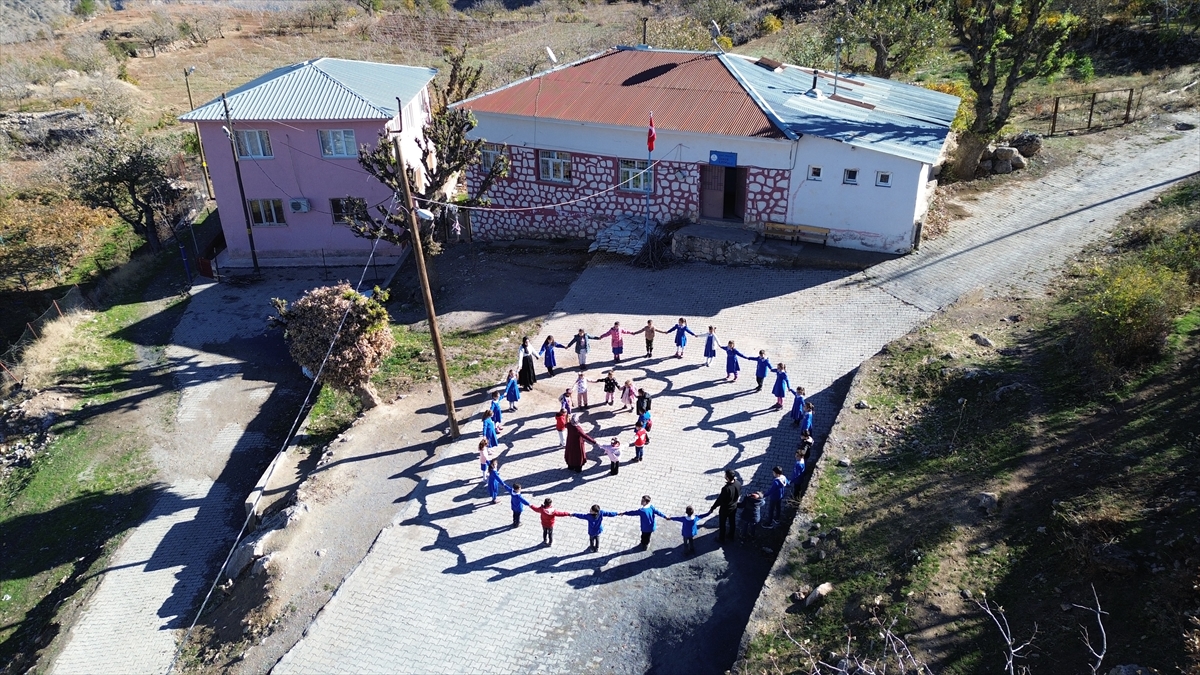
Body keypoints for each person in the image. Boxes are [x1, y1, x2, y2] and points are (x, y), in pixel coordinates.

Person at [705, 469, 741, 543]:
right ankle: (731, 535)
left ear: (727, 478)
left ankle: (721, 538)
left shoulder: (726, 489)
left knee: (722, 523)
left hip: (725, 509)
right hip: (734, 507)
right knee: (732, 521)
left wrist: (713, 508)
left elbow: (720, 500)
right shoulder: (738, 483)